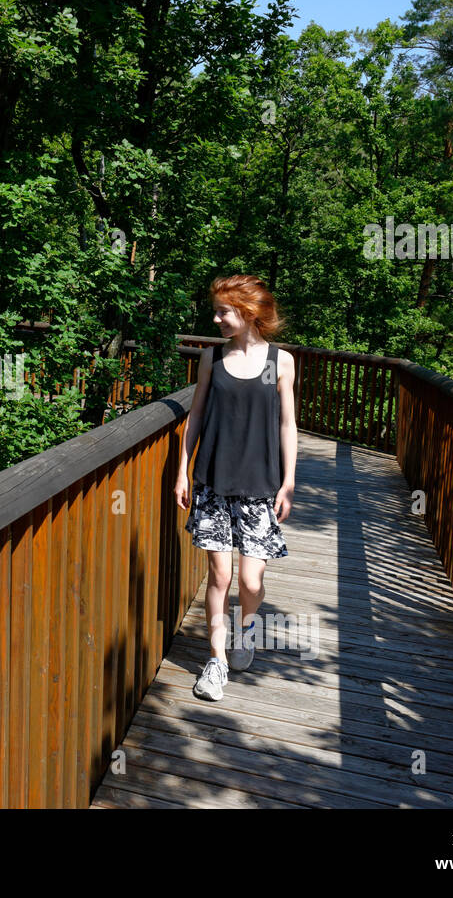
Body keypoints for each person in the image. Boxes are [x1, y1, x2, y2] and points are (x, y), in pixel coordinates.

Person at [173, 275, 296, 702]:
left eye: (223, 311)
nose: (216, 318)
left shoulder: (280, 362)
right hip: (213, 483)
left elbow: (287, 424)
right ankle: (216, 660)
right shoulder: (213, 359)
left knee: (251, 579)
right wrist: (182, 471)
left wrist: (289, 482)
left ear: (247, 313)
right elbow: (195, 418)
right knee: (220, 574)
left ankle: (246, 631)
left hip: (261, 486)